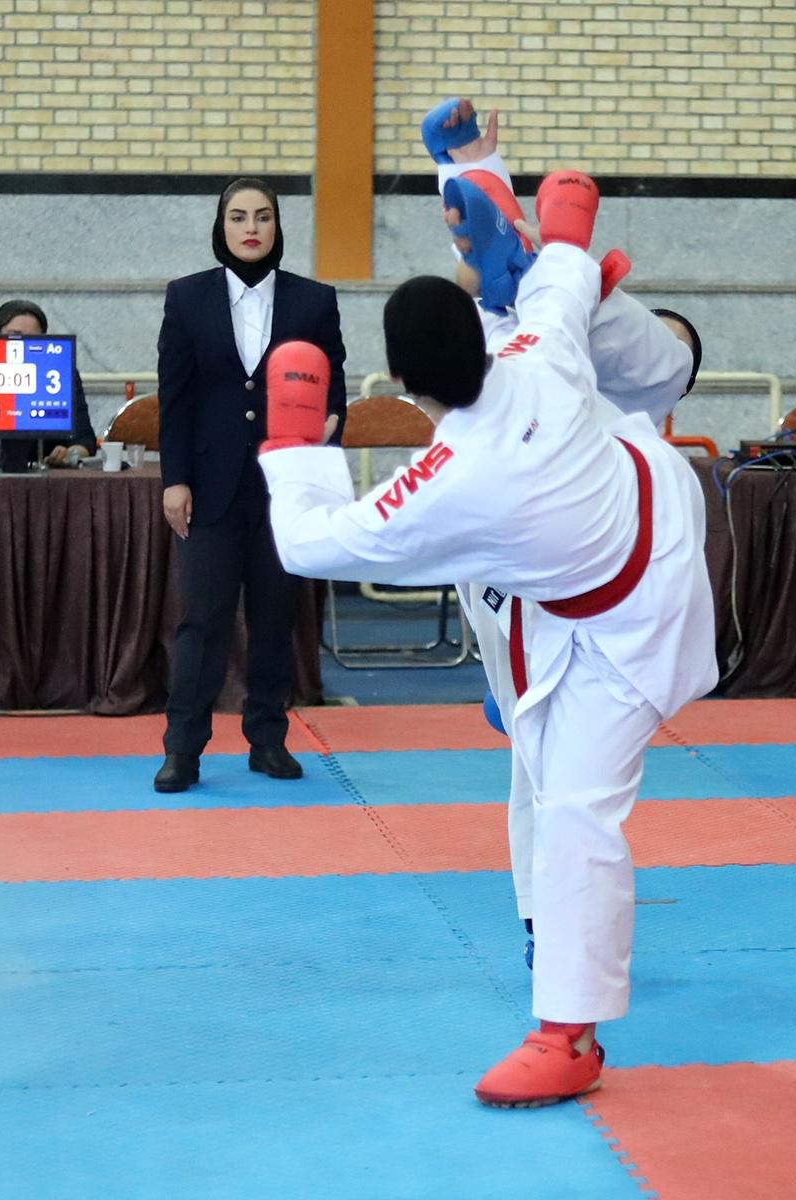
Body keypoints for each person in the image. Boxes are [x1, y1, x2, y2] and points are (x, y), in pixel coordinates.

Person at [258, 173, 717, 1108]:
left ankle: (567, 1037)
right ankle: (513, 255)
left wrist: (295, 445)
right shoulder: (536, 350)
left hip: (633, 618)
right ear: (482, 336)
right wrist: (541, 218)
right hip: (649, 499)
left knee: (576, 812)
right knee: (578, 327)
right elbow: (566, 278)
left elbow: (305, 545)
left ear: (400, 385)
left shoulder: (450, 481)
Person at [427, 97, 707, 971]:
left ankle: (497, 212)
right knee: (549, 765)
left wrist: (471, 175)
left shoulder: (625, 392)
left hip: (544, 534)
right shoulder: (569, 358)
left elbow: (647, 358)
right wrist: (472, 176)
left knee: (551, 327)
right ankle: (546, 924)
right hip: (525, 545)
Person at [151, 177, 348, 794]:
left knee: (274, 618)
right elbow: (175, 399)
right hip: (210, 487)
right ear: (222, 227)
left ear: (277, 225)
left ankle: (268, 740)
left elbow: (334, 388)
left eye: (262, 216)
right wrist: (175, 480)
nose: (251, 227)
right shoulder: (187, 298)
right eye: (238, 217)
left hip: (284, 487)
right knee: (203, 621)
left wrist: (331, 426)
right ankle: (182, 748)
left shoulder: (314, 301)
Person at [0, 299, 99, 471]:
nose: (22, 345)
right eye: (14, 335)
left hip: (40, 478)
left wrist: (70, 454)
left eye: (32, 338)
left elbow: (86, 442)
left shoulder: (63, 380)